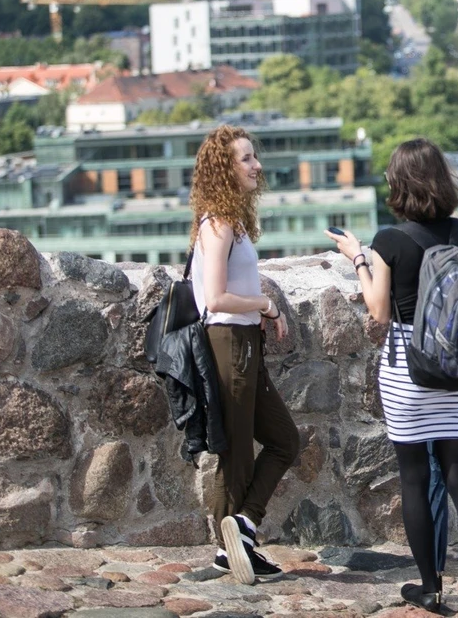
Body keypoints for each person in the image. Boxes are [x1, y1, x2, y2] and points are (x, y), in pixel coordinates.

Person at [328, 138, 458, 617]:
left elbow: (378, 312)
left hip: (408, 370)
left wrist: (357, 258)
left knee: (414, 477)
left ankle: (429, 587)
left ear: (398, 184)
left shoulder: (390, 240)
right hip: (455, 368)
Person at [189, 125, 297, 586]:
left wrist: (260, 312)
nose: (256, 166)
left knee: (284, 440)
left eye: (254, 157)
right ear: (224, 168)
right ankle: (231, 548)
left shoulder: (230, 223)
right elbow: (215, 298)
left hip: (245, 345)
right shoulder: (218, 224)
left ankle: (242, 531)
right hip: (228, 344)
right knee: (235, 457)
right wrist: (266, 305)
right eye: (246, 159)